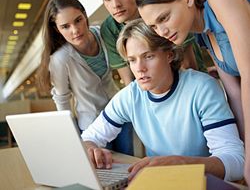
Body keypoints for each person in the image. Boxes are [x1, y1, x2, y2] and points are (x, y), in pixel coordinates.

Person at [81, 20, 244, 182]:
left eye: (148, 56)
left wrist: (181, 163)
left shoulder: (202, 88)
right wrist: (91, 148)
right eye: (132, 60)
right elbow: (89, 137)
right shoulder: (130, 96)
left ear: (169, 55)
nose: (139, 68)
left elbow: (237, 163)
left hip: (202, 182)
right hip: (160, 182)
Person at [135, 0, 250, 183]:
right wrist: (243, 157)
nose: (162, 31)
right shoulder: (201, 35)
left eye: (164, 18)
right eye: (153, 26)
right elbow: (234, 93)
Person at [37, 0, 133, 155]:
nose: (75, 30)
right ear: (56, 29)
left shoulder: (103, 34)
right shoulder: (60, 59)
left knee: (129, 165)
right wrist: (72, 137)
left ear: (85, 15)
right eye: (65, 26)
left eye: (78, 20)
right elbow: (62, 99)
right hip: (92, 124)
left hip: (120, 115)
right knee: (105, 172)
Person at [90, 0, 206, 86]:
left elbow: (189, 65)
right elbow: (129, 81)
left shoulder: (161, 8)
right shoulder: (109, 29)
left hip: (194, 84)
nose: (115, 5)